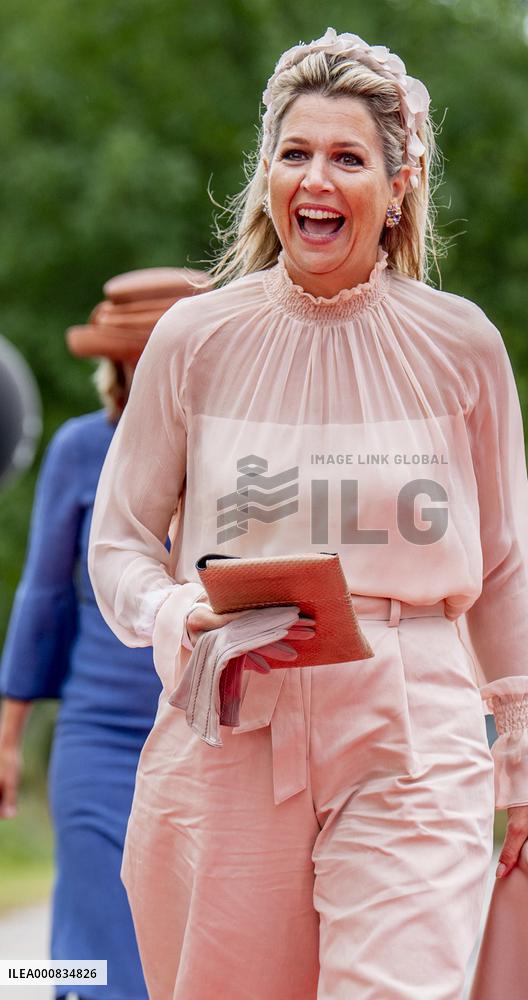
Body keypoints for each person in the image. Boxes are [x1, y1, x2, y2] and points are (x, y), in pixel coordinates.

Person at [87, 28, 528, 999]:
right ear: (267, 174)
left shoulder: (462, 346)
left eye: (348, 158)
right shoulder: (193, 341)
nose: (316, 178)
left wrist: (526, 763)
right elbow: (119, 544)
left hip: (413, 721)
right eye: (295, 152)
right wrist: (177, 611)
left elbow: (505, 560)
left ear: (398, 188)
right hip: (233, 718)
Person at [0, 267, 203, 1000]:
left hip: (204, 738)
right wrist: (8, 737)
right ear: (116, 365)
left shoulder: (236, 454)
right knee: (92, 957)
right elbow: (44, 596)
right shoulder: (80, 449)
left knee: (191, 955)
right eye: (138, 356)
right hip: (100, 738)